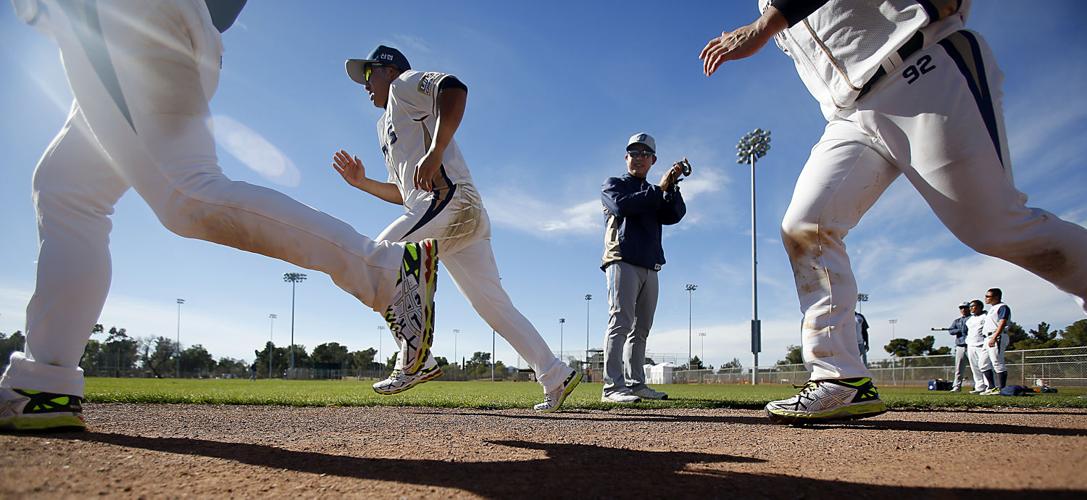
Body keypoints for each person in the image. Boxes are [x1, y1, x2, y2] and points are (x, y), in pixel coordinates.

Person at [0, 0, 437, 432]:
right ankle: (44, 383)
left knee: (187, 196)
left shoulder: (404, 95)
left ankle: (384, 273)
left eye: (369, 73)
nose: (365, 81)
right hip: (144, 22)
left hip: (123, 17)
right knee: (67, 188)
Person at [699, 0, 1087, 423]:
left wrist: (763, 26)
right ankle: (840, 378)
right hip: (850, 115)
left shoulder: (769, 13)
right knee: (806, 225)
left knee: (996, 227)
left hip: (921, 63)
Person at [334, 45, 580, 412]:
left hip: (449, 200)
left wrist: (435, 152)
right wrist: (362, 182)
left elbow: (454, 88)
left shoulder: (403, 84)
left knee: (374, 258)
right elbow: (404, 193)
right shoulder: (383, 126)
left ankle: (416, 357)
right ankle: (554, 373)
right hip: (445, 212)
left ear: (389, 70)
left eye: (369, 74)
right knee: (492, 305)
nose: (365, 84)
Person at [599, 133, 686, 403]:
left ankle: (636, 384)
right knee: (620, 323)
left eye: (644, 154)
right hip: (622, 259)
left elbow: (674, 214)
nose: (638, 158)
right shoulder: (614, 184)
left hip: (650, 264)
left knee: (641, 329)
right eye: (633, 153)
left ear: (652, 160)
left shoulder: (653, 192)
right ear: (626, 158)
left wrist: (672, 187)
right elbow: (621, 205)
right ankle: (612, 387)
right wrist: (658, 189)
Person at [934, 303, 971, 392]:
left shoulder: (973, 319)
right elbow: (951, 331)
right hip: (960, 346)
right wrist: (958, 330)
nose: (963, 309)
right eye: (961, 308)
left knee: (976, 367)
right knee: (958, 369)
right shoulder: (957, 321)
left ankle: (980, 386)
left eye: (965, 307)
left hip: (971, 345)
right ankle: (956, 386)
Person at [981, 288, 1011, 395]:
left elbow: (1003, 322)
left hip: (996, 336)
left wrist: (995, 336)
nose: (986, 298)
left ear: (996, 297)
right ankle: (991, 387)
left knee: (997, 362)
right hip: (987, 338)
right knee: (983, 363)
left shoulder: (1002, 307)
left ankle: (1002, 388)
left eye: (988, 296)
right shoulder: (992, 309)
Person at [964, 299, 989, 394]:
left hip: (982, 344)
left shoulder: (986, 316)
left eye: (973, 306)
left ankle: (989, 386)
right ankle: (979, 386)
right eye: (970, 307)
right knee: (975, 368)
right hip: (971, 345)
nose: (971, 308)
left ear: (979, 307)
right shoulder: (970, 320)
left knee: (985, 366)